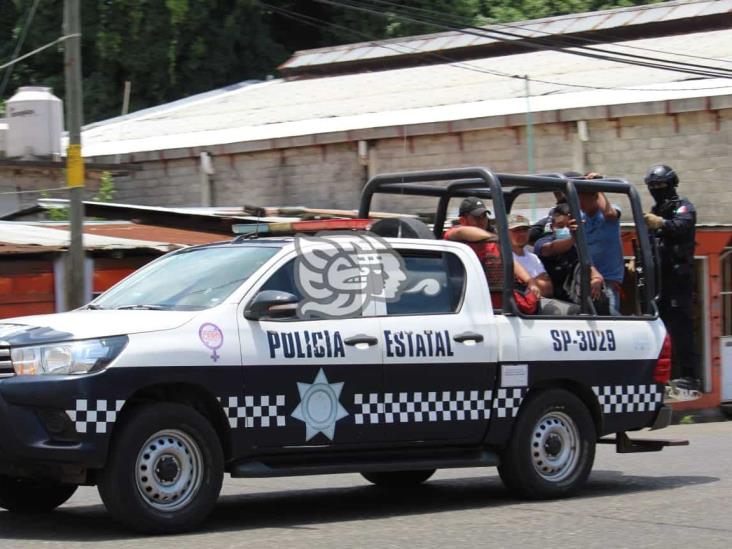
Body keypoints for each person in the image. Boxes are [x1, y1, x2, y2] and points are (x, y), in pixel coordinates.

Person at [643, 164, 699, 391]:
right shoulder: (654, 210)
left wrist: (661, 223)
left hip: (678, 277)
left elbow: (681, 227)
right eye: (652, 185)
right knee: (658, 328)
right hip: (658, 279)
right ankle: (661, 377)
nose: (657, 188)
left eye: (660, 185)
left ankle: (689, 376)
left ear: (672, 184)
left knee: (681, 328)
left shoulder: (683, 207)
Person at [445, 197, 540, 311]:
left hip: (500, 293)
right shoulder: (454, 234)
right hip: (470, 296)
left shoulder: (493, 239)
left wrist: (530, 281)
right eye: (477, 218)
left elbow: (510, 262)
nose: (482, 221)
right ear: (463, 220)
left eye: (484, 216)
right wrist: (495, 237)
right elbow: (463, 231)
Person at [534, 204, 606, 313]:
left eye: (568, 226)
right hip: (551, 300)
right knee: (575, 311)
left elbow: (592, 270)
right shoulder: (542, 243)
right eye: (560, 226)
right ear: (553, 227)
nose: (565, 229)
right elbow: (552, 248)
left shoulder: (578, 247)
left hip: (572, 297)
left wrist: (597, 280)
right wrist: (573, 238)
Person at [578, 185, 624, 314]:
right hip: (586, 280)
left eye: (583, 200)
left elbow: (610, 213)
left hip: (608, 281)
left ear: (595, 197)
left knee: (610, 318)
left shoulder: (610, 213)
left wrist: (596, 185)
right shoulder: (581, 219)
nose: (580, 204)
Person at [507, 213, 553, 298]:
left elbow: (548, 288)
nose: (521, 234)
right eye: (516, 230)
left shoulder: (533, 257)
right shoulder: (503, 256)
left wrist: (523, 282)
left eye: (524, 230)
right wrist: (536, 280)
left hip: (538, 300)